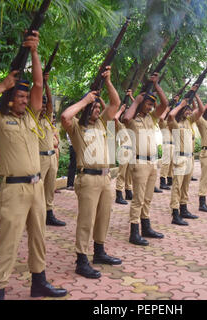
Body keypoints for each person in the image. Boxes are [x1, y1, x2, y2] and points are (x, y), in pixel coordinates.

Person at [0, 31, 67, 300]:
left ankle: (39, 283)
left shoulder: (32, 118)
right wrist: (1, 86)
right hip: (12, 190)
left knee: (39, 238)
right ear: (10, 98)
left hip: (36, 187)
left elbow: (37, 84)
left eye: (26, 98)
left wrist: (34, 52)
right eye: (20, 97)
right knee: (8, 242)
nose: (25, 100)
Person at [61, 66, 122, 279]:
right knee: (86, 219)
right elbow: (65, 115)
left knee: (104, 217)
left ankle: (99, 251)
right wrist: (85, 101)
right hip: (87, 178)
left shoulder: (103, 124)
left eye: (98, 107)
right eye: (94, 107)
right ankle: (81, 259)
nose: (98, 110)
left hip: (105, 178)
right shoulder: (77, 127)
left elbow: (115, 104)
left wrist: (108, 82)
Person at [123, 73, 167, 246]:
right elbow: (125, 118)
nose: (151, 107)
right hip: (139, 162)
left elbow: (165, 104)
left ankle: (146, 226)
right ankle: (134, 232)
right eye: (148, 104)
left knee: (148, 197)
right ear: (141, 103)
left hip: (152, 162)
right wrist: (135, 101)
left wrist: (156, 85)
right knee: (138, 198)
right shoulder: (133, 119)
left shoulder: (151, 117)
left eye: (151, 105)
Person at [167, 87, 204, 225]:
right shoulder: (174, 123)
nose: (188, 112)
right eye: (185, 110)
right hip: (180, 158)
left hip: (189, 158)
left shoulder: (189, 122)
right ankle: (175, 213)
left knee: (186, 186)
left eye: (188, 110)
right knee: (177, 186)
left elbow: (201, 110)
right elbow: (170, 115)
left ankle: (184, 208)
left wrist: (196, 95)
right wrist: (181, 104)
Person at [39, 74, 66, 227]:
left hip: (51, 158)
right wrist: (40, 84)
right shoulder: (32, 118)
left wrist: (46, 83)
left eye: (45, 106)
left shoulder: (48, 118)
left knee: (50, 188)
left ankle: (49, 214)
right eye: (41, 106)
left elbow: (50, 103)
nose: (44, 108)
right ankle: (36, 214)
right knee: (38, 189)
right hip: (40, 158)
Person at [115, 91, 134, 204]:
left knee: (129, 174)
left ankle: (128, 191)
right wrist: (121, 110)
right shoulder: (120, 125)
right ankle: (118, 194)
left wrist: (131, 97)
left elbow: (136, 109)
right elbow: (115, 119)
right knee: (121, 173)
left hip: (131, 151)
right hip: (124, 150)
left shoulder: (132, 125)